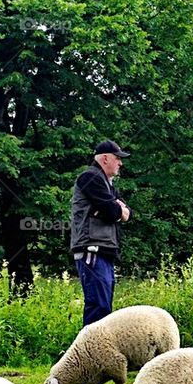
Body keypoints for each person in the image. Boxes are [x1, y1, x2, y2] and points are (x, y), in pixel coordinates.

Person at [70, 138, 131, 325]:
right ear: (105, 158)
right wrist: (116, 209)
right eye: (117, 158)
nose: (120, 163)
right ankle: (90, 344)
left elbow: (127, 213)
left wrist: (117, 210)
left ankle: (96, 344)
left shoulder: (108, 184)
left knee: (105, 309)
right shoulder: (90, 177)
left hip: (103, 250)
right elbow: (113, 211)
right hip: (92, 249)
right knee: (99, 307)